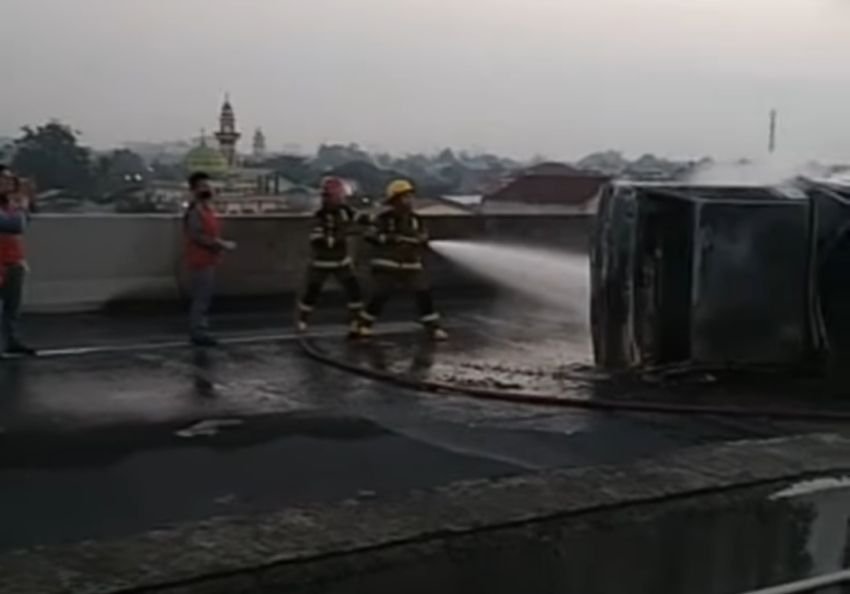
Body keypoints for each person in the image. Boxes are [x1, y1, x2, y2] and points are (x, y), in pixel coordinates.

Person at [360, 179, 448, 341]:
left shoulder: (416, 220)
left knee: (423, 294)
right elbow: (370, 235)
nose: (409, 200)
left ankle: (433, 328)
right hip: (387, 264)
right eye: (405, 197)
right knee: (381, 294)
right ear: (395, 200)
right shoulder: (384, 218)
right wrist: (391, 239)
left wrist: (422, 240)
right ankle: (364, 325)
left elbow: (423, 235)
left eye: (410, 196)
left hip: (411, 264)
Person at [296, 176, 366, 337]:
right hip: (322, 261)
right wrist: (335, 237)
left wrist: (374, 223)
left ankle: (355, 319)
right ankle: (303, 320)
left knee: (354, 290)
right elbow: (317, 239)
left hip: (341, 261)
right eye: (338, 196)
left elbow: (360, 218)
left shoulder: (345, 211)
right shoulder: (319, 216)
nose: (341, 200)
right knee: (313, 291)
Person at [183, 171, 236, 347]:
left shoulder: (206, 209)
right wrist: (221, 244)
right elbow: (198, 236)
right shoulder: (195, 212)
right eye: (203, 186)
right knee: (201, 298)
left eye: (208, 186)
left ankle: (200, 330)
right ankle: (198, 332)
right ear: (194, 190)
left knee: (204, 296)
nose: (207, 189)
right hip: (200, 260)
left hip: (208, 259)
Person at [0, 169, 37, 356]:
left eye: (10, 179)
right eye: (3, 179)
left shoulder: (10, 204)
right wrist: (22, 206)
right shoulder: (11, 208)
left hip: (13, 260)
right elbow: (13, 225)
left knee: (12, 306)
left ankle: (11, 340)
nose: (8, 182)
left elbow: (23, 223)